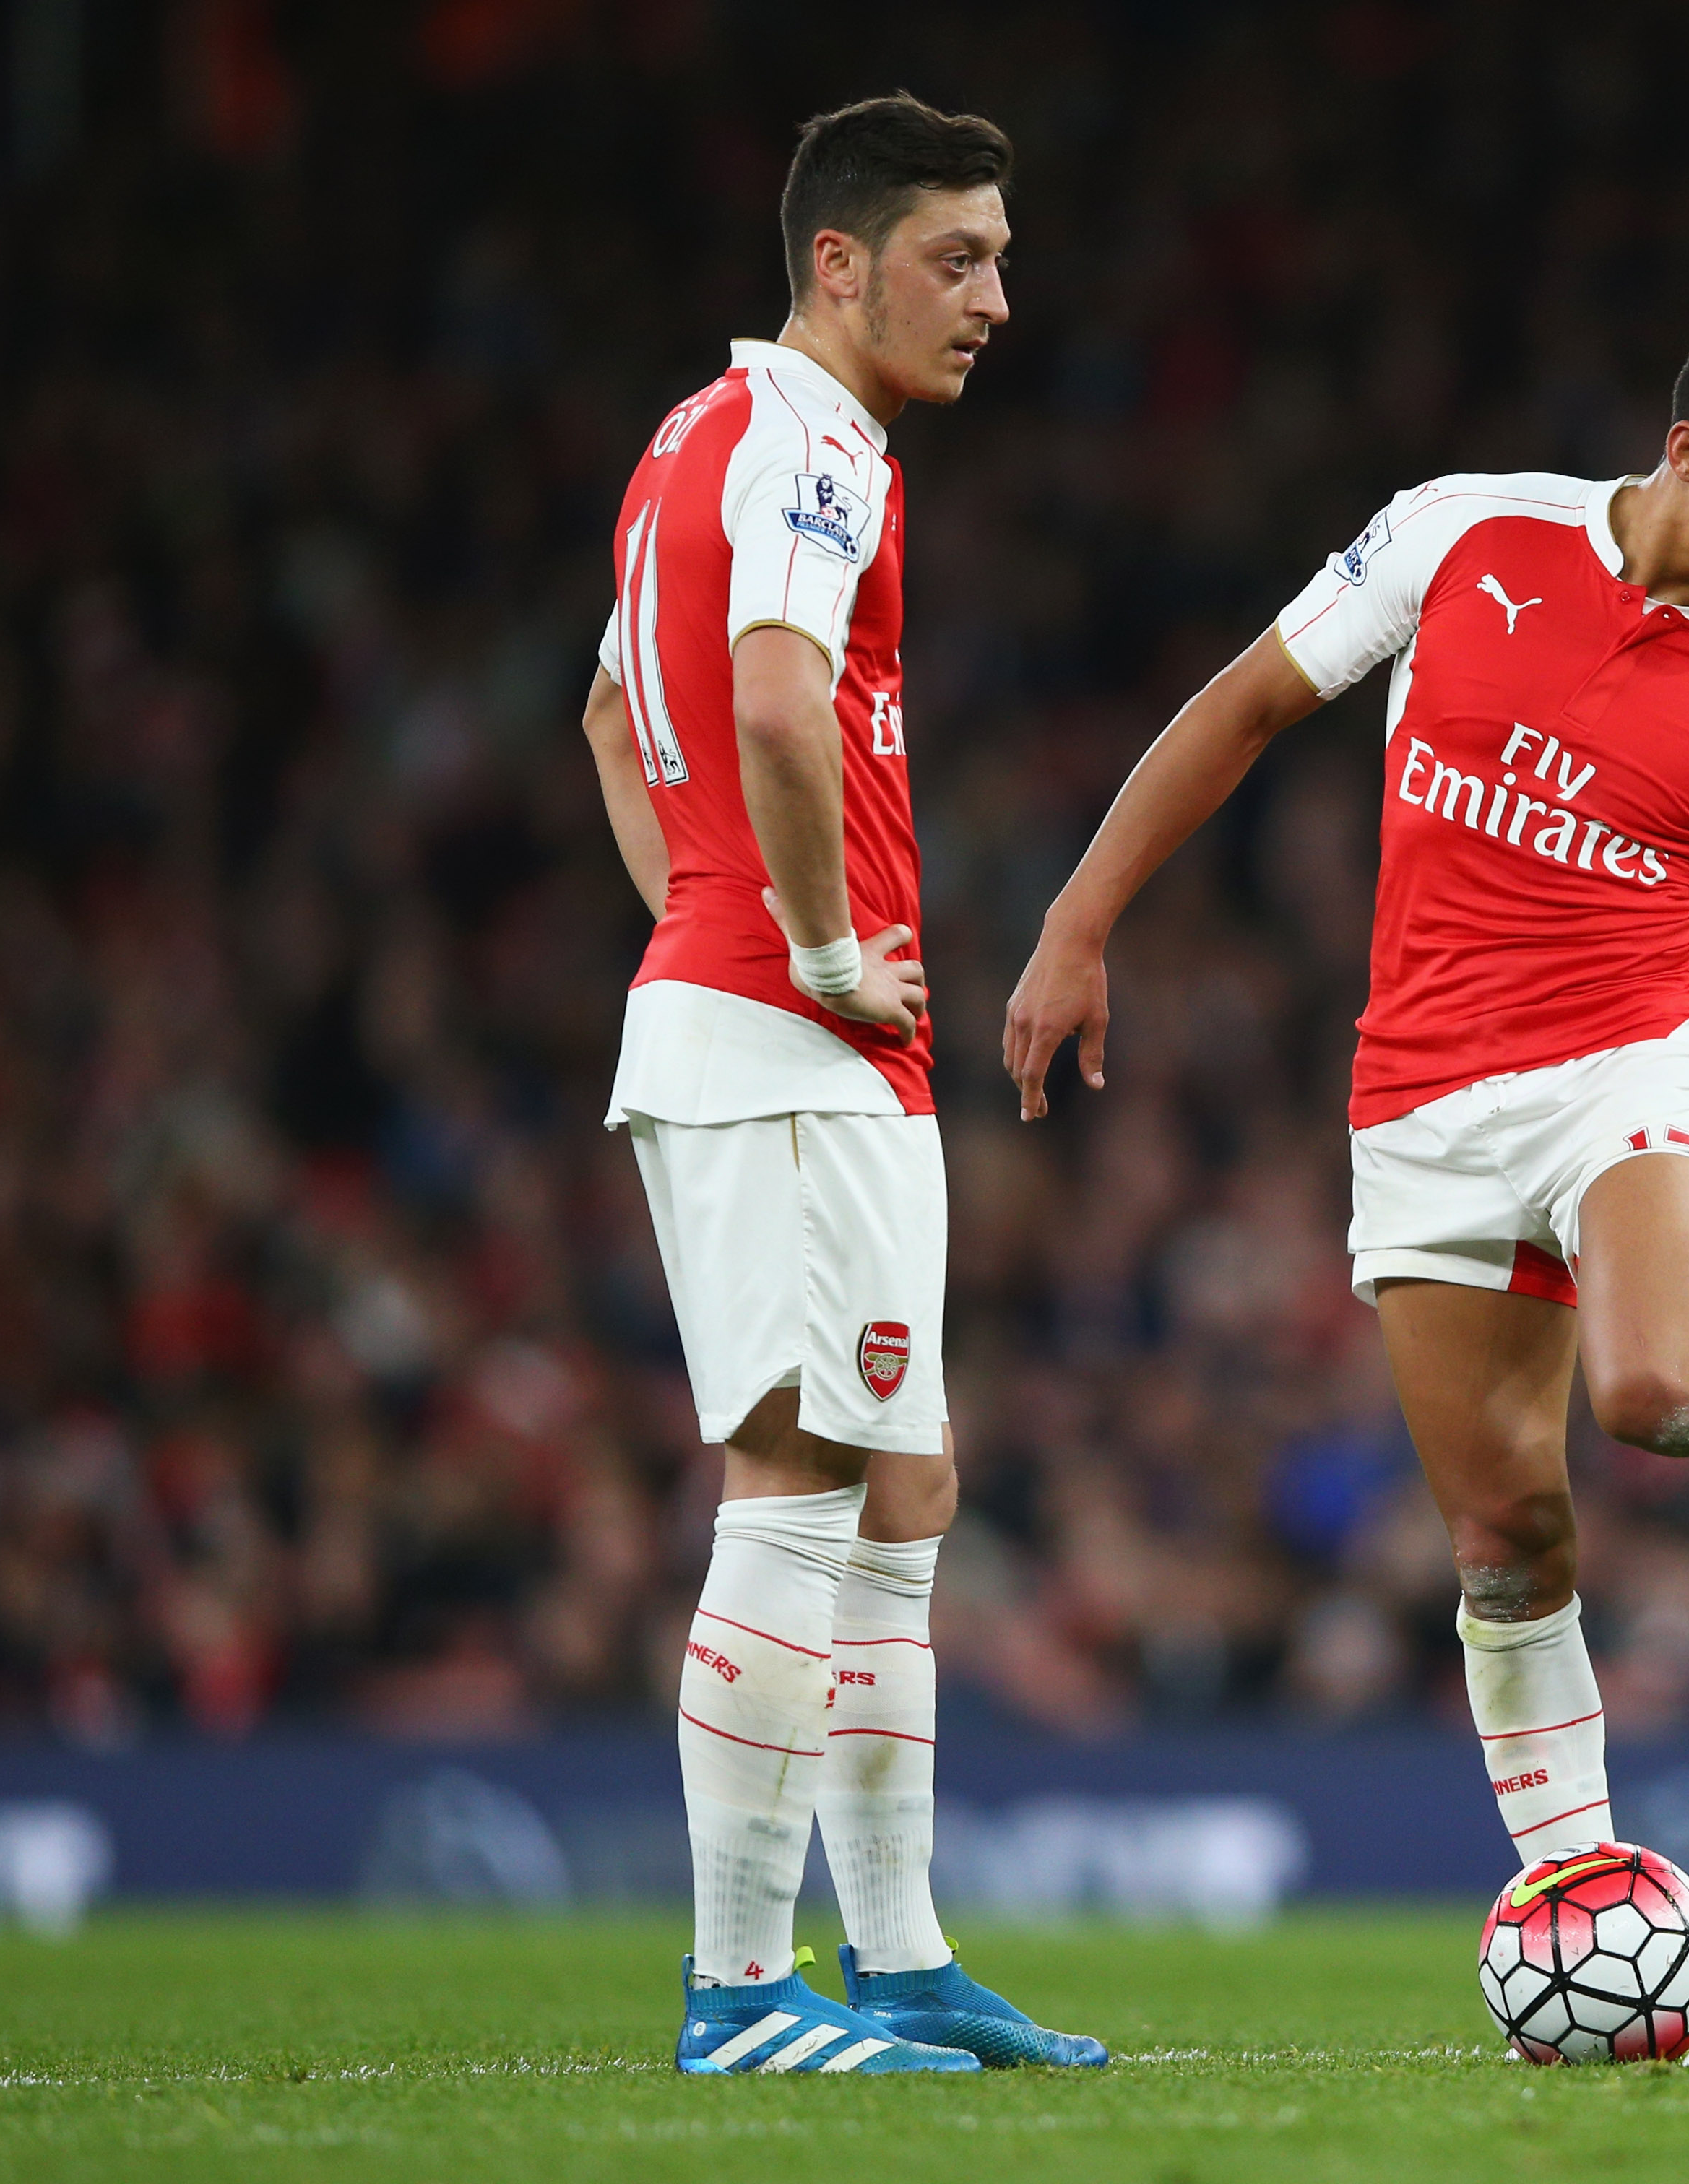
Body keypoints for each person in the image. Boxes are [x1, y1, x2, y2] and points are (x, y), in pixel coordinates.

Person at [1006, 306, 1689, 1877]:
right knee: (1503, 1537)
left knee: (1659, 1395)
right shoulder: (1460, 532)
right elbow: (1244, 706)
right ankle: (1575, 1892)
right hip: (1415, 1098)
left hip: (1622, 1070)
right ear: (1686, 450)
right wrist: (1079, 920)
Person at [579, 92, 1101, 2076]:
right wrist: (787, 945)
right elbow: (777, 704)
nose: (992, 298)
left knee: (906, 1478)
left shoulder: (682, 440)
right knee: (794, 1481)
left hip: (794, 1033)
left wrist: (712, 912)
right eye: (954, 258)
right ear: (835, 263)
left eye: (998, 257)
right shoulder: (809, 440)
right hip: (790, 1033)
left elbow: (618, 723)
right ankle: (735, 1995)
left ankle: (894, 1961)